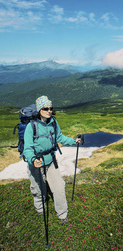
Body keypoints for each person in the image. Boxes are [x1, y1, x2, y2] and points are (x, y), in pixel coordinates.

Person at [23, 95, 81, 224]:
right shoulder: (31, 126)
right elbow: (27, 148)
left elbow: (60, 137)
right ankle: (40, 209)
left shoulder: (53, 122)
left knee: (59, 187)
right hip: (36, 162)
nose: (49, 110)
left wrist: (73, 141)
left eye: (51, 108)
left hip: (50, 161)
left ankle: (62, 214)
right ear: (39, 110)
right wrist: (33, 159)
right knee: (38, 188)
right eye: (46, 108)